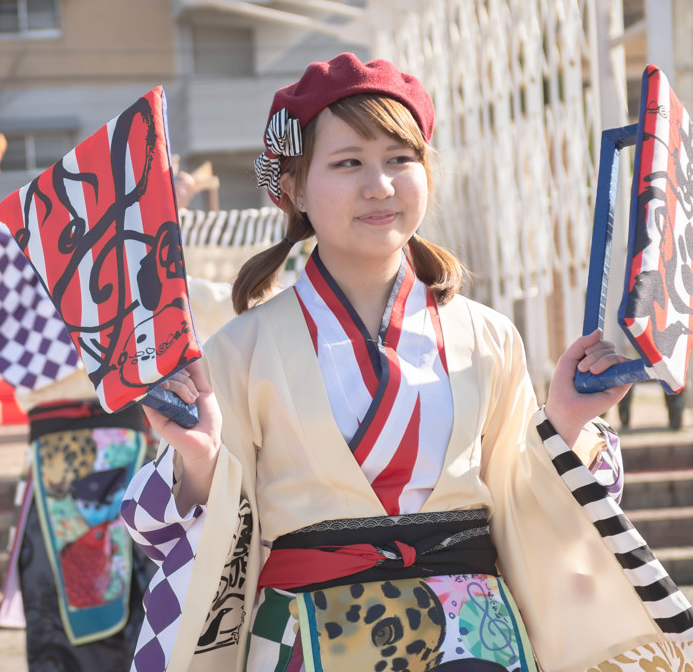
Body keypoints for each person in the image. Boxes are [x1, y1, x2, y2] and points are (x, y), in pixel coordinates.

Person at [121, 53, 689, 672]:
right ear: (294, 188)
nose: (380, 186)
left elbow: (527, 508)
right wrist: (200, 462)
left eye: (400, 159)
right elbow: (173, 535)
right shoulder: (242, 347)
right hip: (309, 641)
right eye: (348, 163)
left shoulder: (488, 335)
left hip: (475, 637)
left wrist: (565, 422)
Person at [0, 80, 236, 671]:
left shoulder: (152, 269)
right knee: (55, 608)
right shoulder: (25, 266)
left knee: (148, 605)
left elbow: (230, 304)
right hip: (56, 454)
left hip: (138, 453)